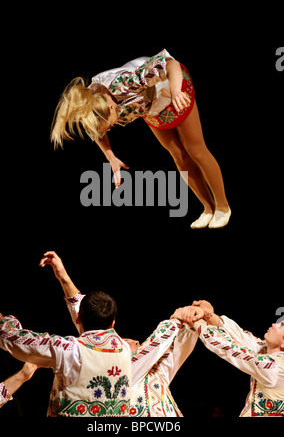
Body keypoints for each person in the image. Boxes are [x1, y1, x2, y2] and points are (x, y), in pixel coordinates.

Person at [51, 49, 231, 229]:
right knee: (178, 156)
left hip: (170, 87)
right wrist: (111, 158)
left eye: (111, 126)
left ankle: (223, 207)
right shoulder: (91, 105)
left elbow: (171, 65)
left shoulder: (129, 82)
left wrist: (176, 91)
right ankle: (208, 208)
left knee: (195, 150)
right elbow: (98, 132)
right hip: (150, 106)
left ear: (112, 108)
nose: (111, 129)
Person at [39, 251, 200, 417]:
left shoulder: (157, 373)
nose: (133, 342)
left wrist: (195, 311)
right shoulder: (123, 370)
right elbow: (90, 320)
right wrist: (174, 321)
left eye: (136, 343)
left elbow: (188, 334)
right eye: (124, 341)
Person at [0, 294, 132, 417]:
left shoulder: (69, 349)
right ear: (113, 324)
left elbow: (17, 340)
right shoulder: (126, 348)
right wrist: (62, 275)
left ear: (77, 319)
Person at [180, 300, 284, 417]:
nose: (275, 324)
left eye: (282, 326)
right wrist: (208, 314)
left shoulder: (276, 367)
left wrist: (194, 319)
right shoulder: (265, 351)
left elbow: (229, 347)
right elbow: (241, 336)